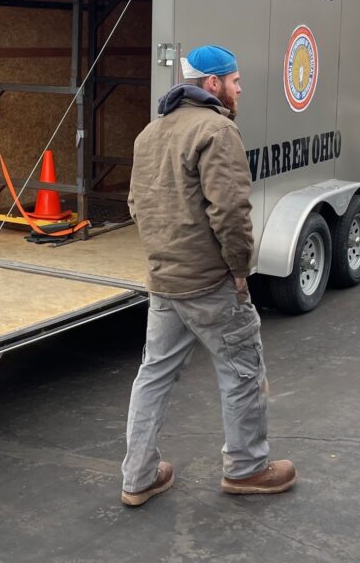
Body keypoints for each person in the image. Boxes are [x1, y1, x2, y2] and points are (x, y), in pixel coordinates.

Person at [120, 44, 297, 507]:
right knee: (242, 373)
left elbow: (136, 206)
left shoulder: (150, 133)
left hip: (164, 281)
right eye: (235, 81)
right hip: (210, 283)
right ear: (213, 84)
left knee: (153, 375)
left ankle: (138, 476)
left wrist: (163, 256)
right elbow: (232, 212)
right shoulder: (218, 130)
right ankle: (247, 468)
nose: (240, 89)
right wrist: (240, 272)